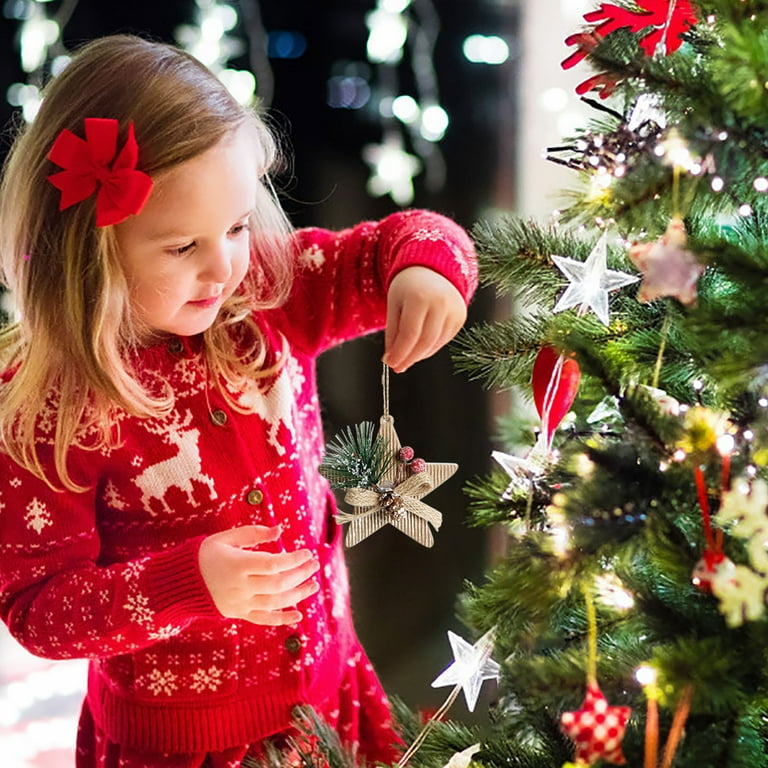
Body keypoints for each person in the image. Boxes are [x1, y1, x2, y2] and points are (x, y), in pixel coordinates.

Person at [0, 34, 477, 768]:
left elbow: (400, 242)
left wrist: (428, 271)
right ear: (89, 250)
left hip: (330, 700)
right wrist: (186, 585)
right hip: (182, 747)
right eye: (182, 247)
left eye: (235, 225)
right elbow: (38, 611)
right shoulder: (48, 407)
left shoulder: (268, 293)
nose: (224, 265)